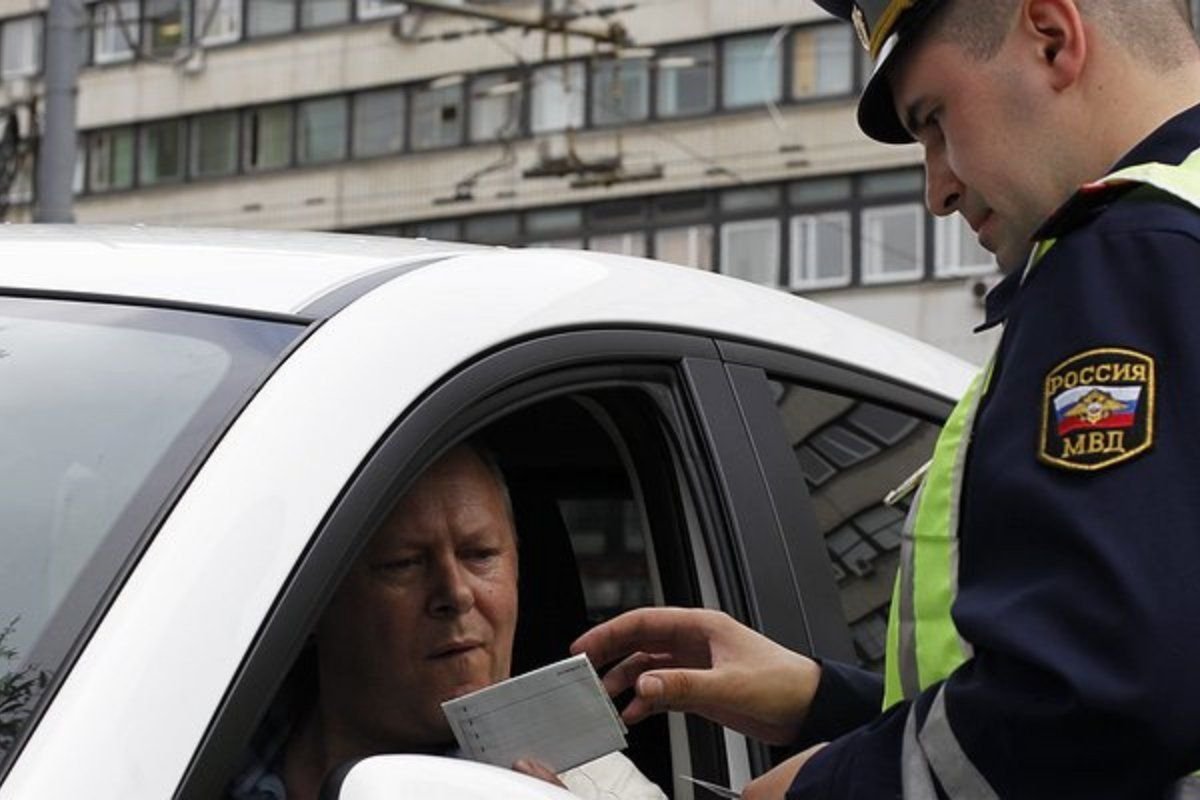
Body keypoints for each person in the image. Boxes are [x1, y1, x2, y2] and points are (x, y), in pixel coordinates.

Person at [572, 0, 1200, 797]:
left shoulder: (1125, 257)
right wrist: (821, 701)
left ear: (1051, 35)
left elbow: (1103, 698)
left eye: (935, 120)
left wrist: (819, 790)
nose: (937, 190)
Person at [228, 442, 664, 800]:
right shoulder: (199, 740)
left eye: (480, 555)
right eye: (405, 563)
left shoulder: (595, 790)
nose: (456, 594)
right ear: (312, 599)